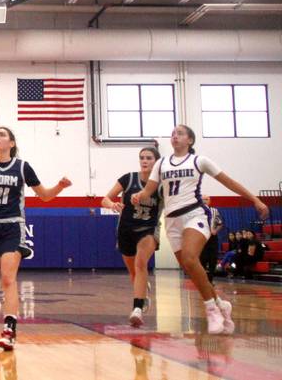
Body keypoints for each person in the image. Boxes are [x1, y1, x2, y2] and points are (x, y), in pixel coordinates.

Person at [131, 125, 268, 335]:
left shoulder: (199, 161)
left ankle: (211, 310)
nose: (175, 136)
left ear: (190, 140)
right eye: (173, 133)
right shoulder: (161, 163)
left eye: (180, 133)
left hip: (195, 214)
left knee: (189, 257)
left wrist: (255, 200)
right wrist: (139, 195)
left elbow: (229, 182)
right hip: (172, 220)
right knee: (191, 268)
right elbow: (149, 190)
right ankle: (222, 304)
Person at [0, 126, 72, 350]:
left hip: (12, 227)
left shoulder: (22, 167)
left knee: (8, 279)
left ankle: (9, 329)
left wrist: (60, 187)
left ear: (11, 143)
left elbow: (44, 196)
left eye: (1, 135)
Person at [100, 147, 162, 327]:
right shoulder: (128, 179)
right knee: (134, 271)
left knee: (140, 264)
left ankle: (137, 309)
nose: (144, 161)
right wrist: (112, 204)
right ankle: (143, 296)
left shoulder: (161, 185)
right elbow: (105, 199)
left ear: (156, 161)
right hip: (126, 229)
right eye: (142, 158)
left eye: (149, 158)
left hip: (148, 229)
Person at [200, 196, 223, 284]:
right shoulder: (198, 211)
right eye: (203, 199)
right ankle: (203, 280)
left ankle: (210, 280)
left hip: (212, 237)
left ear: (210, 201)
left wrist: (215, 230)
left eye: (207, 199)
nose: (205, 201)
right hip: (202, 237)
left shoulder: (214, 210)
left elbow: (220, 223)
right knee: (202, 259)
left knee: (213, 259)